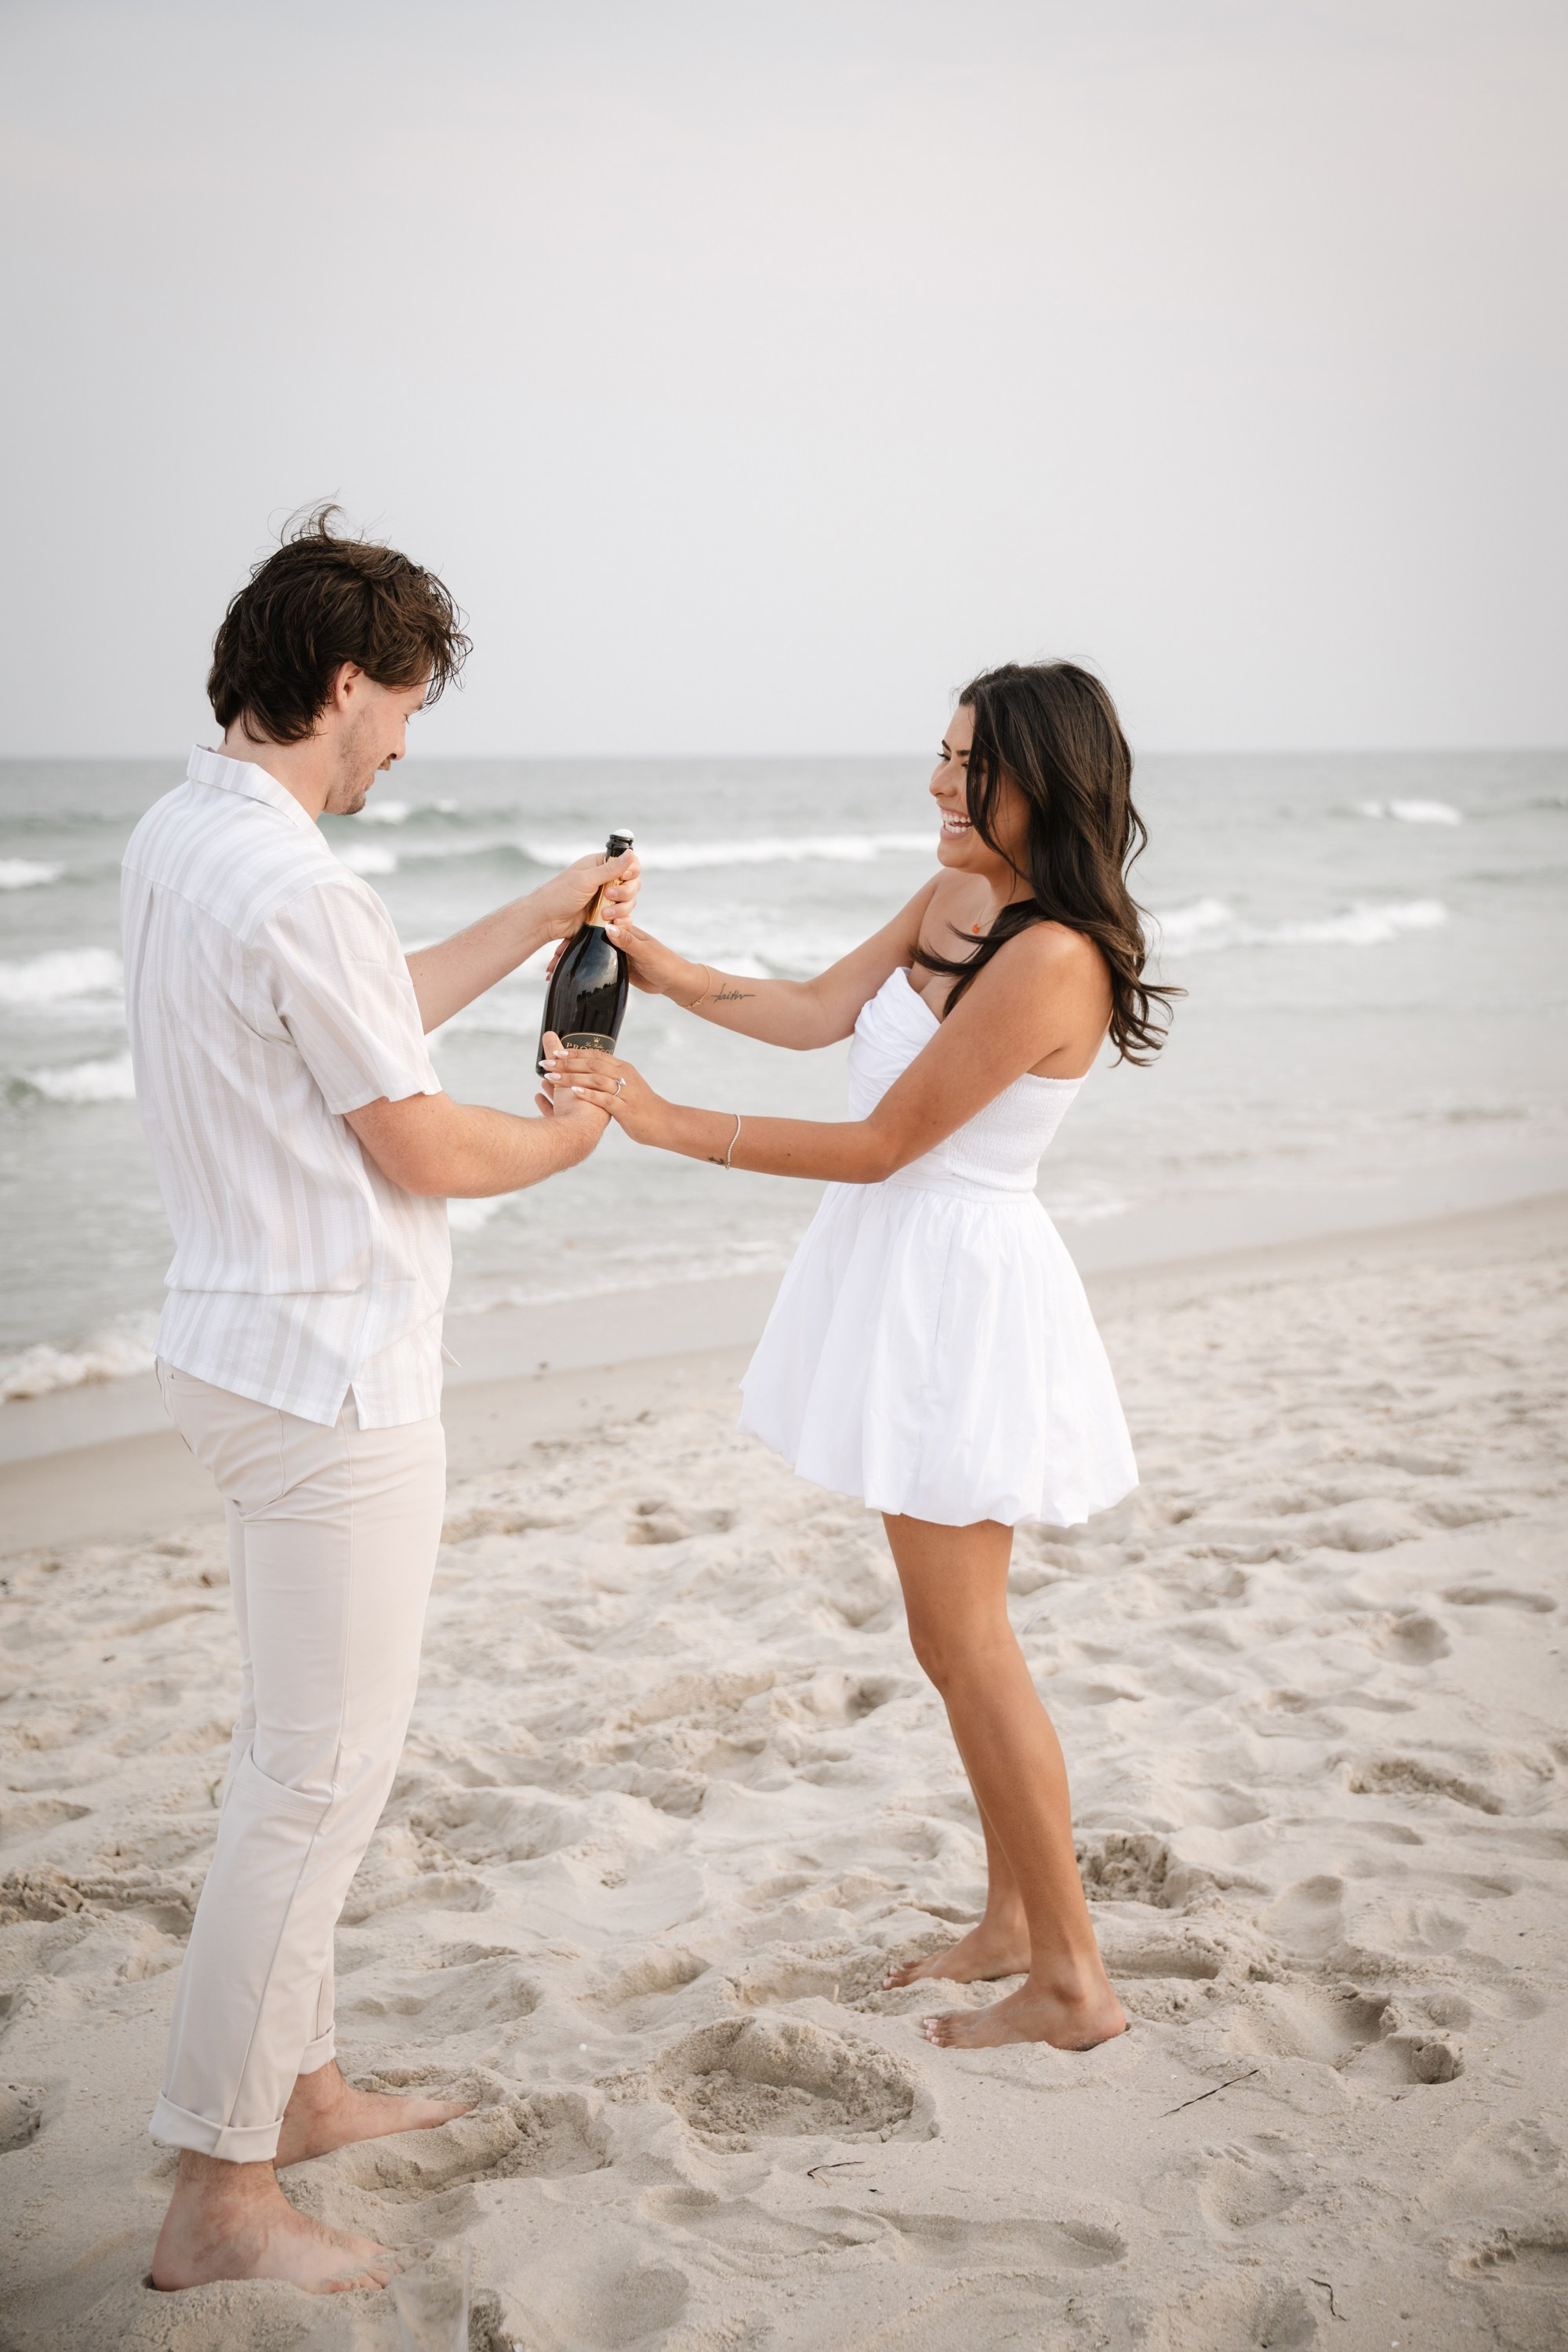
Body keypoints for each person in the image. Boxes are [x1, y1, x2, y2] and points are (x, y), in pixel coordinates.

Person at [122, 509, 638, 2292]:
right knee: (314, 1779)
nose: (408, 746)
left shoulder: (188, 836)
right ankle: (220, 2193)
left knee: (300, 1759)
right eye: (405, 709)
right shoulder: (296, 880)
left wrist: (541, 911)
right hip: (330, 1373)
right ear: (347, 683)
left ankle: (305, 2081)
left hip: (232, 1343)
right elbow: (412, 1129)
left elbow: (357, 1019)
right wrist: (575, 1138)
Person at [546, 660, 1175, 2052]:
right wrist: (658, 970)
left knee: (970, 1639)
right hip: (899, 1273)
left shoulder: (1053, 954)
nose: (941, 784)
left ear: (1045, 782)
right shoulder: (956, 894)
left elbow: (890, 1143)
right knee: (948, 1640)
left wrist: (666, 1120)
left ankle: (1075, 1979)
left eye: (972, 765)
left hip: (959, 1291)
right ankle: (1014, 1921)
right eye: (942, 753)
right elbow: (815, 1010)